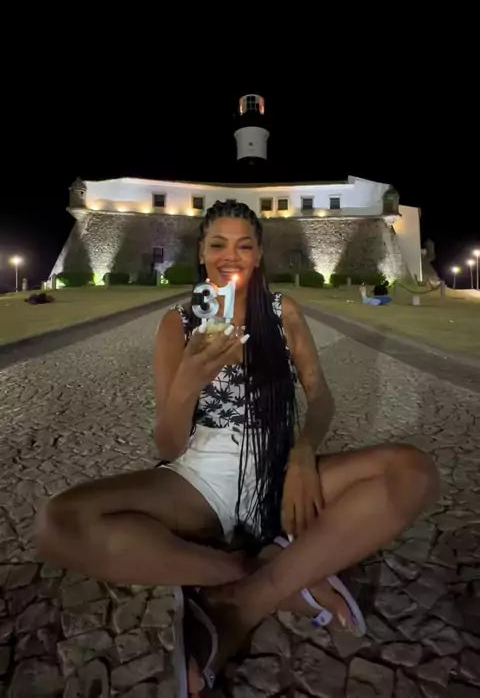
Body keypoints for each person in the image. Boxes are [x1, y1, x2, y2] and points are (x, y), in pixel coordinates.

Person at [36, 201, 439, 696]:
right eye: (218, 244)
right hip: (198, 480)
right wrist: (189, 380)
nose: (231, 256)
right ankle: (261, 569)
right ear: (201, 253)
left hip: (278, 471)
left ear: (259, 254)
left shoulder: (283, 313)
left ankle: (246, 599)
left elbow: (321, 397)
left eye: (245, 245)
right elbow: (169, 444)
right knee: (60, 522)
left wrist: (303, 454)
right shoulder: (177, 324)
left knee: (411, 472)